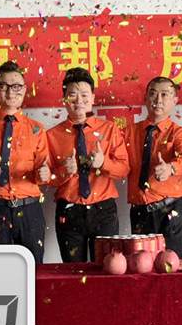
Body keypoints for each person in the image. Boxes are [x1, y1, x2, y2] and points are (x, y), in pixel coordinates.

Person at [0, 61, 51, 262]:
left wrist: (45, 174)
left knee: (33, 268)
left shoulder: (37, 128)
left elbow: (45, 170)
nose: (11, 92)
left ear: (25, 90)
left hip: (30, 210)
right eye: (3, 86)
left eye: (16, 86)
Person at [46, 67, 129, 262]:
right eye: (72, 95)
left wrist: (103, 163)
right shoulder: (51, 135)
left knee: (108, 267)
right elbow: (46, 179)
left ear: (92, 98)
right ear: (64, 99)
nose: (78, 101)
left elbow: (124, 169)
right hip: (69, 211)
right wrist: (64, 172)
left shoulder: (109, 129)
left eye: (84, 95)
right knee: (73, 271)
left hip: (103, 210)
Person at [125, 76, 182, 258]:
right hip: (139, 212)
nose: (158, 100)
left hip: (170, 210)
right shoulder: (129, 132)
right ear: (145, 98)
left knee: (175, 265)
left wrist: (171, 168)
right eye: (153, 94)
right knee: (141, 266)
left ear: (175, 100)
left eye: (164, 94)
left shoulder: (179, 133)